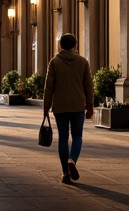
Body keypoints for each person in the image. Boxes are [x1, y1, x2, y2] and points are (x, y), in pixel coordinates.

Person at [42, 33, 94, 186]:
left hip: (60, 106)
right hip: (78, 105)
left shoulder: (54, 62)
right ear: (75, 45)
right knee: (77, 136)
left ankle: (65, 173)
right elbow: (89, 86)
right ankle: (72, 160)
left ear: (60, 45)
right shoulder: (83, 62)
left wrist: (46, 106)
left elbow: (49, 86)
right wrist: (90, 105)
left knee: (63, 138)